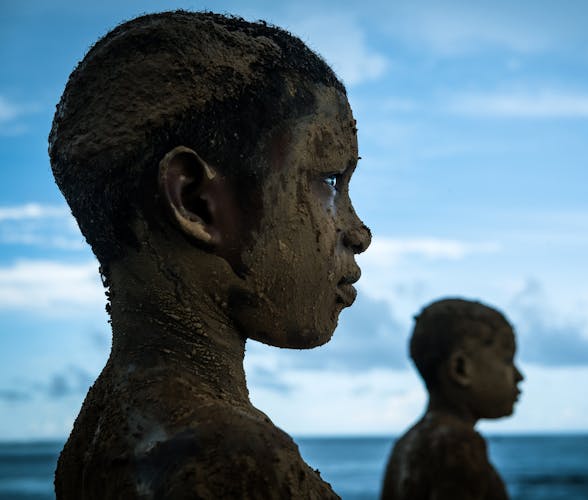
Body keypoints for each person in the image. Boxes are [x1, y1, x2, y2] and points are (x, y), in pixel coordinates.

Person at [50, 10, 370, 499]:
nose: (359, 232)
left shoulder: (101, 429)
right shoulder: (235, 462)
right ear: (197, 201)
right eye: (329, 180)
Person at [381, 298, 524, 500]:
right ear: (460, 368)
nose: (519, 376)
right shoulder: (456, 444)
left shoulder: (406, 443)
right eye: (507, 360)